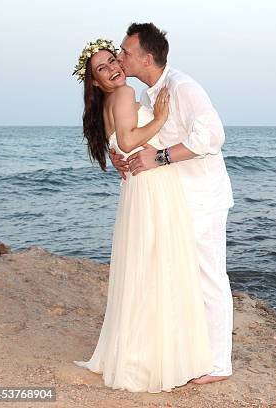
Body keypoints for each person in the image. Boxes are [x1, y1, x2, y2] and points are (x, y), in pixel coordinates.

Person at [71, 38, 214, 393]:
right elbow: (131, 140)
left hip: (140, 188)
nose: (113, 68)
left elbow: (120, 144)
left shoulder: (112, 101)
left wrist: (123, 152)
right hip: (152, 187)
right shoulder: (121, 96)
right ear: (95, 81)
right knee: (158, 267)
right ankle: (154, 358)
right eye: (102, 68)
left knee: (144, 268)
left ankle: (144, 352)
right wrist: (162, 117)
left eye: (113, 60)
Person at [110, 23, 235, 384]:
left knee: (209, 277)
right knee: (182, 278)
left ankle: (219, 364)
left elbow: (212, 136)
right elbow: (138, 137)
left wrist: (160, 157)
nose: (121, 57)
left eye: (126, 51)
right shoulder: (151, 94)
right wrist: (120, 154)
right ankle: (192, 354)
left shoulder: (182, 87)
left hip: (202, 198)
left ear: (147, 57)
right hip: (175, 201)